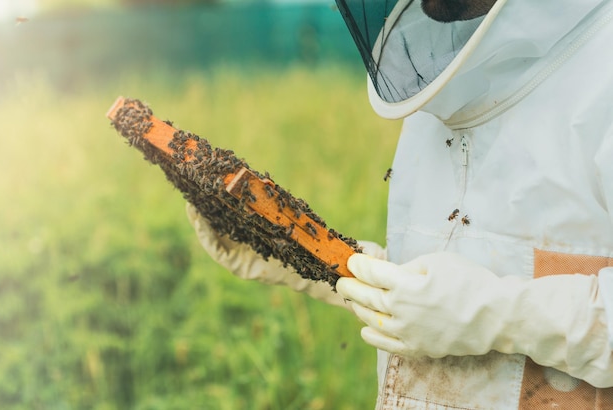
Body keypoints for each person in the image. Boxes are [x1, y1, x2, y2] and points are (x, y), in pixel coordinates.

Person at [187, 0, 613, 408]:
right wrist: (306, 255)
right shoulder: (433, 79)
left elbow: (472, 301)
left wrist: (496, 314)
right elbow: (450, 282)